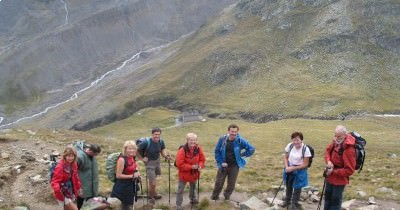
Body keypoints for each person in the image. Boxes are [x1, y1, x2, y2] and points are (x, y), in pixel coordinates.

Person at [211, 124, 255, 200]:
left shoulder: (240, 140)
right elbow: (217, 151)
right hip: (223, 165)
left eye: (235, 132)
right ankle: (215, 197)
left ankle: (227, 196)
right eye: (232, 131)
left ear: (237, 132)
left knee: (231, 184)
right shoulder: (222, 139)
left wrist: (242, 155)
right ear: (228, 131)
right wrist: (221, 162)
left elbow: (252, 149)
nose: (234, 133)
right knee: (219, 183)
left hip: (234, 166)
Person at [323, 125, 356, 210]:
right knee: (327, 198)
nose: (337, 138)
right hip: (330, 176)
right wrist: (329, 161)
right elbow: (327, 151)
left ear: (344, 135)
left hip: (340, 180)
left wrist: (333, 172)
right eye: (336, 136)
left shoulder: (349, 149)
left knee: (335, 201)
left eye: (339, 136)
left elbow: (350, 170)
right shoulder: (335, 142)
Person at [137, 127, 171, 204]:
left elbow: (162, 150)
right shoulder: (146, 142)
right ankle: (151, 197)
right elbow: (136, 150)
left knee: (154, 179)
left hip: (157, 162)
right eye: (155, 134)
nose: (157, 136)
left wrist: (166, 156)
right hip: (149, 164)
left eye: (159, 134)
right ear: (152, 134)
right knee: (153, 182)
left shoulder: (161, 141)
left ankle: (153, 193)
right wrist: (142, 159)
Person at [280, 132, 311, 210]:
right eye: (294, 140)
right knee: (288, 185)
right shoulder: (290, 146)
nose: (295, 142)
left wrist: (292, 168)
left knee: (297, 188)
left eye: (297, 140)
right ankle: (287, 201)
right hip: (289, 168)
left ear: (301, 140)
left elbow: (305, 164)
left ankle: (294, 204)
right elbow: (285, 157)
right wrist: (287, 166)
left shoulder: (305, 149)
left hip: (300, 170)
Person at [175, 133, 206, 210]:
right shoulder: (182, 150)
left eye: (194, 140)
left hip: (194, 173)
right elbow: (179, 164)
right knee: (180, 190)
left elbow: (202, 159)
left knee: (193, 187)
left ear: (196, 140)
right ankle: (178, 205)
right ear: (187, 140)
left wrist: (200, 166)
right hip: (184, 174)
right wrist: (191, 167)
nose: (193, 142)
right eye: (191, 140)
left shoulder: (198, 149)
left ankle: (193, 200)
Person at [111, 140, 141, 210]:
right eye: (129, 149)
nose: (132, 150)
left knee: (129, 204)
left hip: (130, 185)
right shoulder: (122, 159)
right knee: (123, 205)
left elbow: (134, 166)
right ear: (125, 149)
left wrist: (137, 172)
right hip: (122, 187)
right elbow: (118, 175)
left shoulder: (132, 157)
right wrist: (132, 176)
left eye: (133, 148)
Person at [76, 142, 101, 209]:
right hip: (83, 185)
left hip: (92, 186)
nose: (95, 156)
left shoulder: (92, 156)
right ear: (90, 151)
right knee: (80, 202)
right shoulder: (80, 156)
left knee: (90, 204)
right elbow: (73, 171)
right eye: (94, 154)